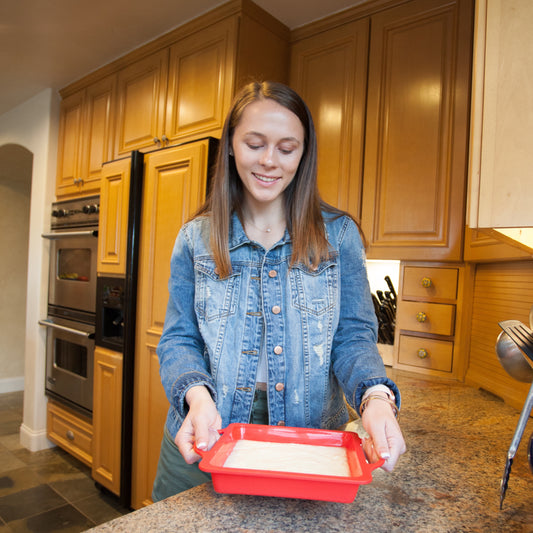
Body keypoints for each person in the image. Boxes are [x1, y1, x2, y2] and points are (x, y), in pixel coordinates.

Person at [152, 80, 406, 501]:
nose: (270, 161)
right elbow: (179, 339)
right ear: (231, 146)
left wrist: (376, 397)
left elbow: (353, 338)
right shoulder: (195, 239)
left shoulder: (338, 237)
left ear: (303, 154)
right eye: (255, 144)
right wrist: (196, 397)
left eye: (287, 149)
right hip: (207, 430)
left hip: (306, 439)